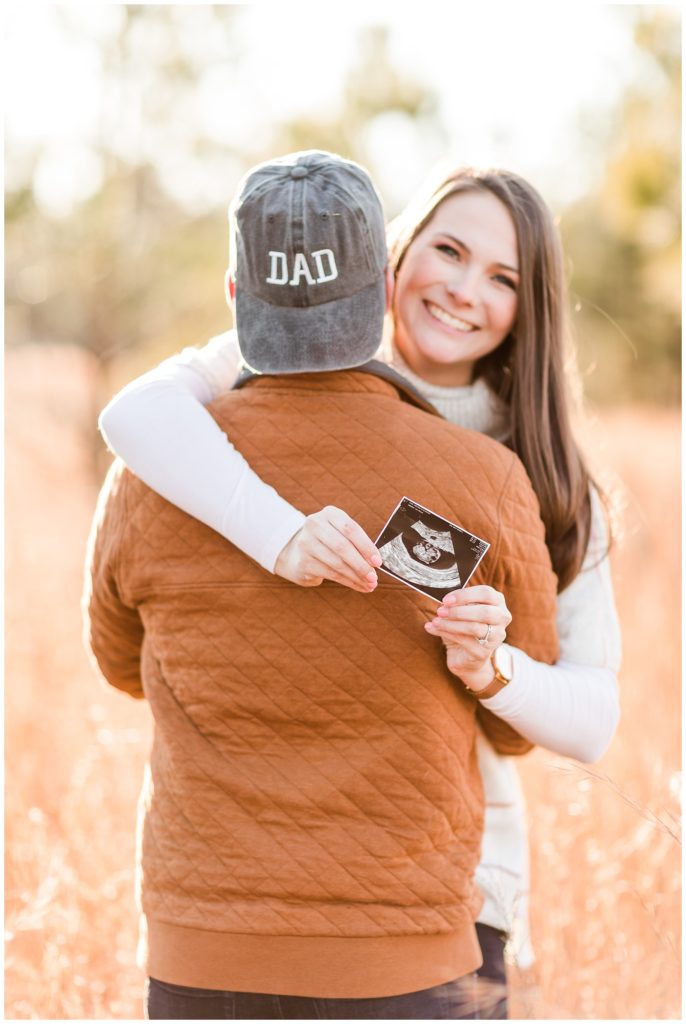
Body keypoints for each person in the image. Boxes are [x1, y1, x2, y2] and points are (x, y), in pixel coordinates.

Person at [98, 159, 622, 1016]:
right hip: (277, 892)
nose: (461, 290)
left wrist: (498, 670)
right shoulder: (278, 350)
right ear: (390, 263)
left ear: (532, 308)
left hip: (461, 881)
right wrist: (278, 536)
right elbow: (132, 416)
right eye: (448, 251)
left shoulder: (540, 474)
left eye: (502, 278)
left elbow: (593, 719)